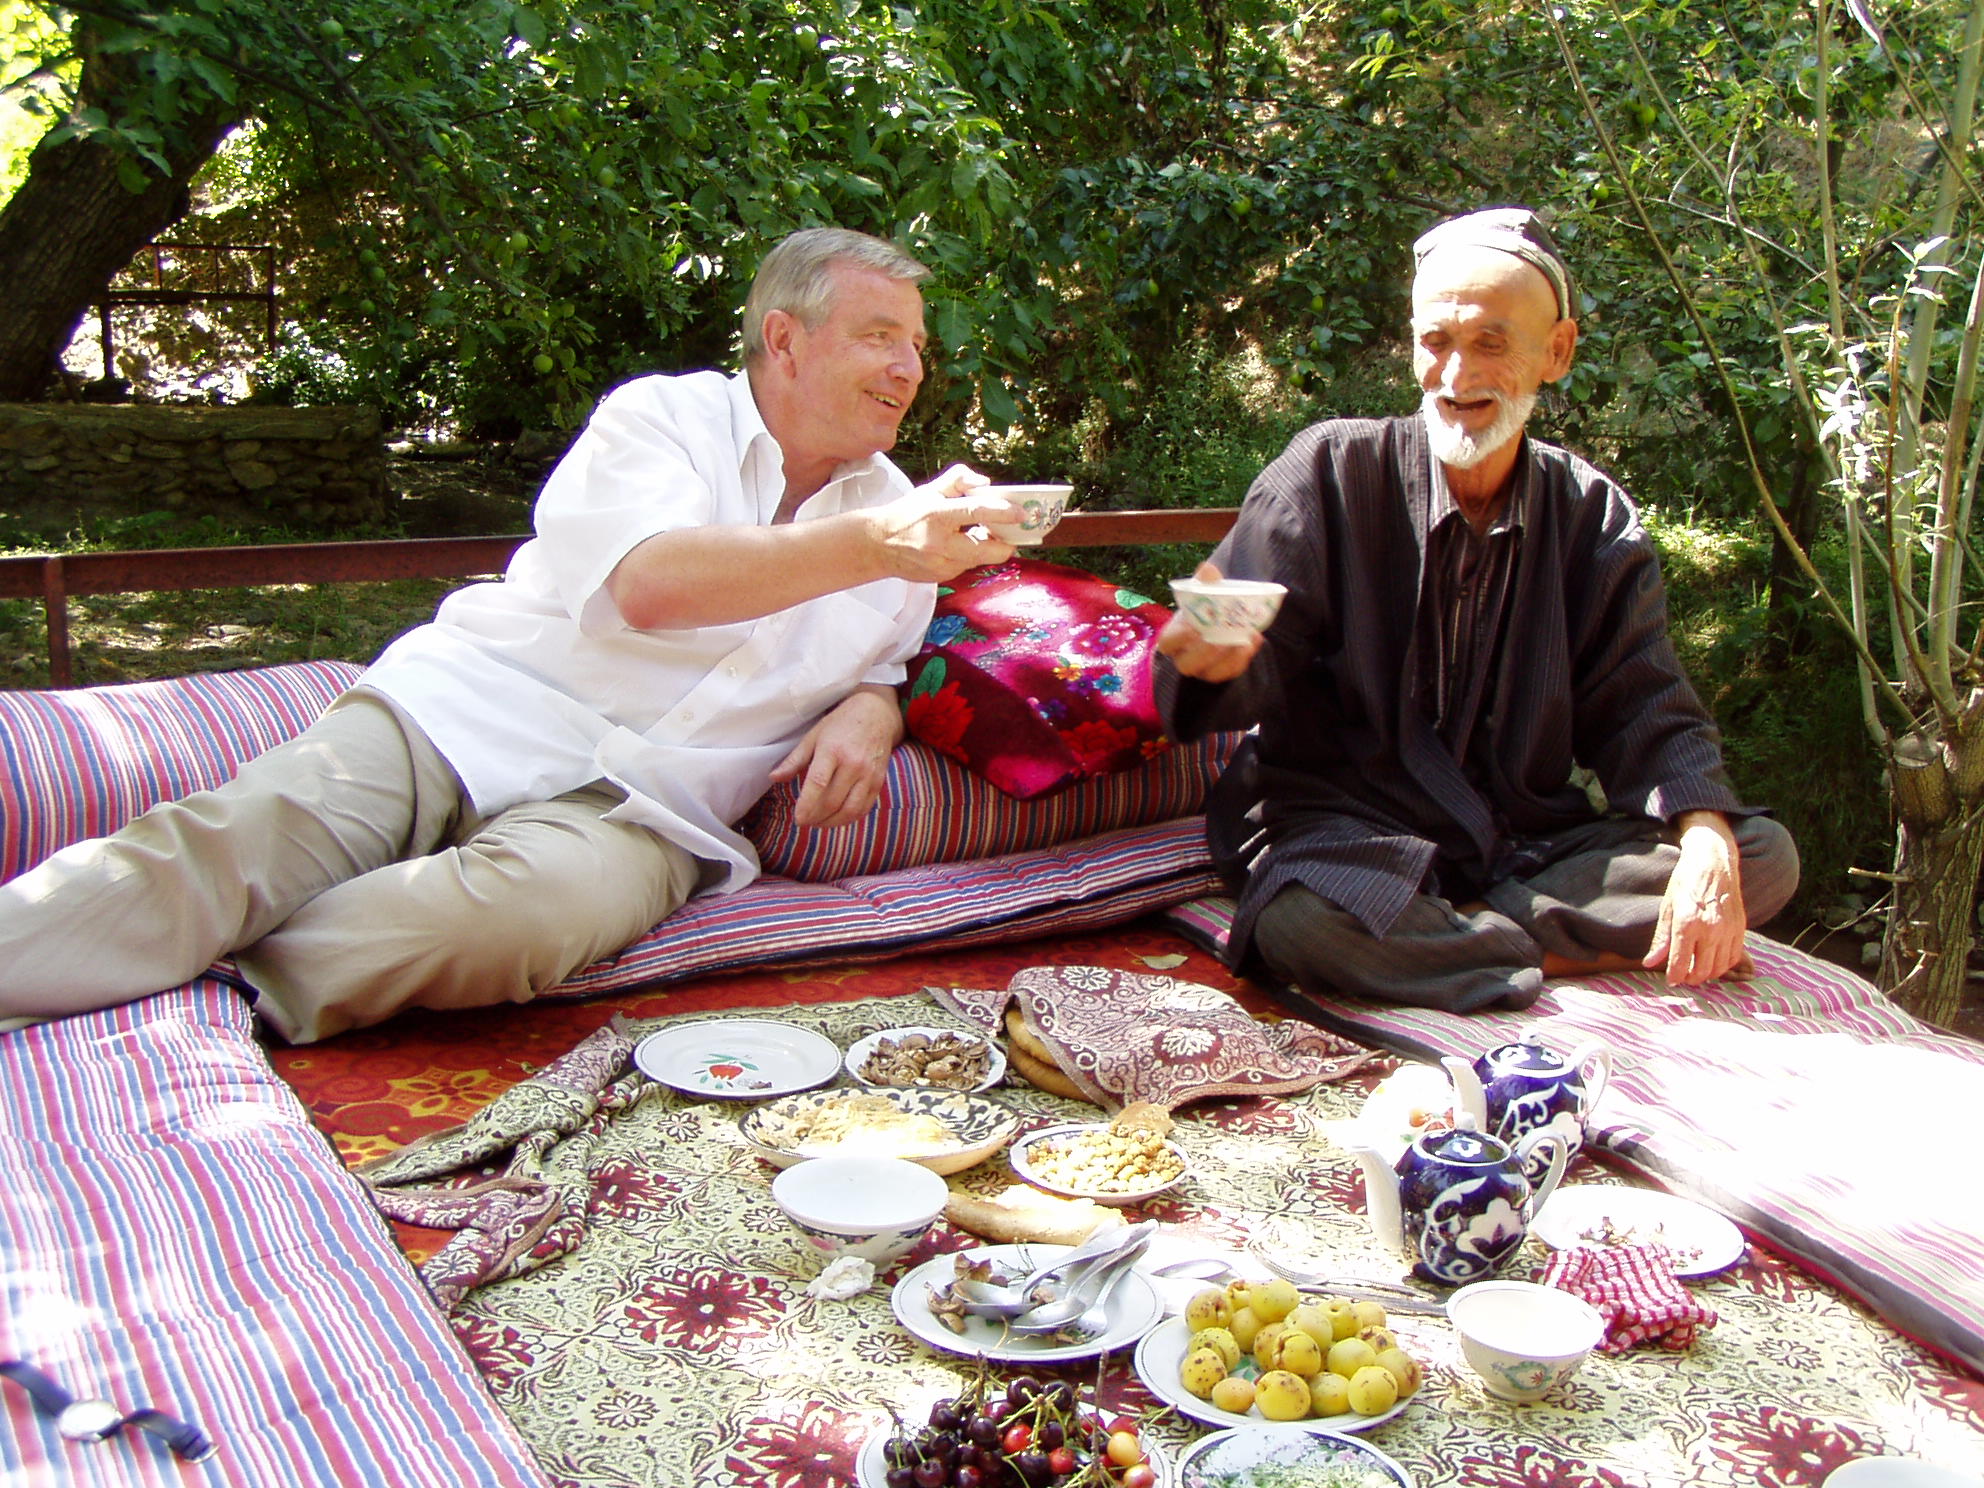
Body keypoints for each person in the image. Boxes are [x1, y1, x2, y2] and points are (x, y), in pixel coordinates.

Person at [0, 227, 1023, 1043]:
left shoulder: (899, 524)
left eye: (918, 346)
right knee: (229, 844)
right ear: (784, 338)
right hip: (469, 711)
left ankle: (218, 982)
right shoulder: (663, 421)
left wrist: (873, 706)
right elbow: (651, 585)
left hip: (646, 811)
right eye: (880, 334)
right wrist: (882, 543)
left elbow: (885, 658)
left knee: (495, 931)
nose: (909, 366)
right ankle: (112, 942)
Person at [1155, 205, 1798, 1016]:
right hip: (1350, 833)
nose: (1458, 378)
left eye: (1491, 343)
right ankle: (1542, 950)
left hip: (1523, 840)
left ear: (1555, 352)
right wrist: (1208, 662)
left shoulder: (1589, 513)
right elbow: (1237, 653)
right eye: (1437, 343)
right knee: (1301, 924)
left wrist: (1704, 834)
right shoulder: (1328, 469)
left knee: (1759, 855)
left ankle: (1469, 944)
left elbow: (1644, 702)